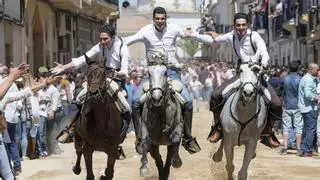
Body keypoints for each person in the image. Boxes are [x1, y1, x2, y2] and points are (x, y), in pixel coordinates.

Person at [194, 12, 281, 148]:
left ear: (248, 25)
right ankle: (217, 128)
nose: (241, 28)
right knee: (216, 95)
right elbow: (214, 40)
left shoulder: (255, 36)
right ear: (234, 25)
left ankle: (268, 132)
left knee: (276, 103)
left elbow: (264, 51)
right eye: (238, 25)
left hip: (257, 74)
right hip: (240, 74)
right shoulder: (231, 36)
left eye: (243, 25)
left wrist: (263, 64)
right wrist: (195, 36)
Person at [124, 6, 201, 154]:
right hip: (151, 75)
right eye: (157, 19)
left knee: (189, 102)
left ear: (166, 19)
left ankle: (188, 137)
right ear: (153, 19)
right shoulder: (146, 31)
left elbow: (188, 34)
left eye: (162, 18)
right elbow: (130, 39)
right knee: (134, 102)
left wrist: (199, 35)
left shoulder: (174, 29)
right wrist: (114, 41)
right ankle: (140, 137)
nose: (160, 21)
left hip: (172, 74)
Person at [51, 24, 130, 159]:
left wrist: (114, 74)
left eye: (105, 39)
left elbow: (125, 71)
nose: (102, 42)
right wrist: (64, 67)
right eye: (101, 39)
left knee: (128, 109)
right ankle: (69, 129)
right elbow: (82, 60)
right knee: (79, 99)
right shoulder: (99, 46)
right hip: (99, 79)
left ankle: (118, 141)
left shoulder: (123, 48)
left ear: (113, 37)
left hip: (116, 81)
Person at [280, 61, 303, 155]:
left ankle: (285, 148)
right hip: (298, 105)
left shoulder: (285, 79)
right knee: (299, 127)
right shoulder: (301, 79)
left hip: (287, 105)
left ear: (289, 68)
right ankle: (298, 149)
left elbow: (280, 91)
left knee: (286, 127)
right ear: (298, 68)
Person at [298, 63, 319, 157]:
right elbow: (307, 94)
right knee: (311, 130)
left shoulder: (306, 78)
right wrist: (317, 98)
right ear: (311, 70)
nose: (318, 71)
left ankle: (303, 149)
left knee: (306, 129)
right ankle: (307, 150)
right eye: (317, 70)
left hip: (305, 108)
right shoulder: (309, 80)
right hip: (309, 108)